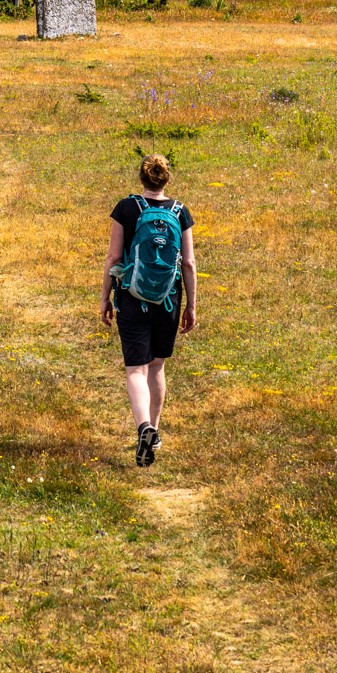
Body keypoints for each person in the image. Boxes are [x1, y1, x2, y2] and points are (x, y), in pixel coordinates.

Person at [100, 154, 196, 467]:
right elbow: (190, 263)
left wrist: (105, 298)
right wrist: (191, 305)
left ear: (141, 179)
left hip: (131, 296)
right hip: (168, 298)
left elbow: (114, 257)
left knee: (136, 369)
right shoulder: (181, 212)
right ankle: (154, 431)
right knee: (156, 366)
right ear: (167, 179)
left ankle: (144, 428)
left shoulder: (126, 208)